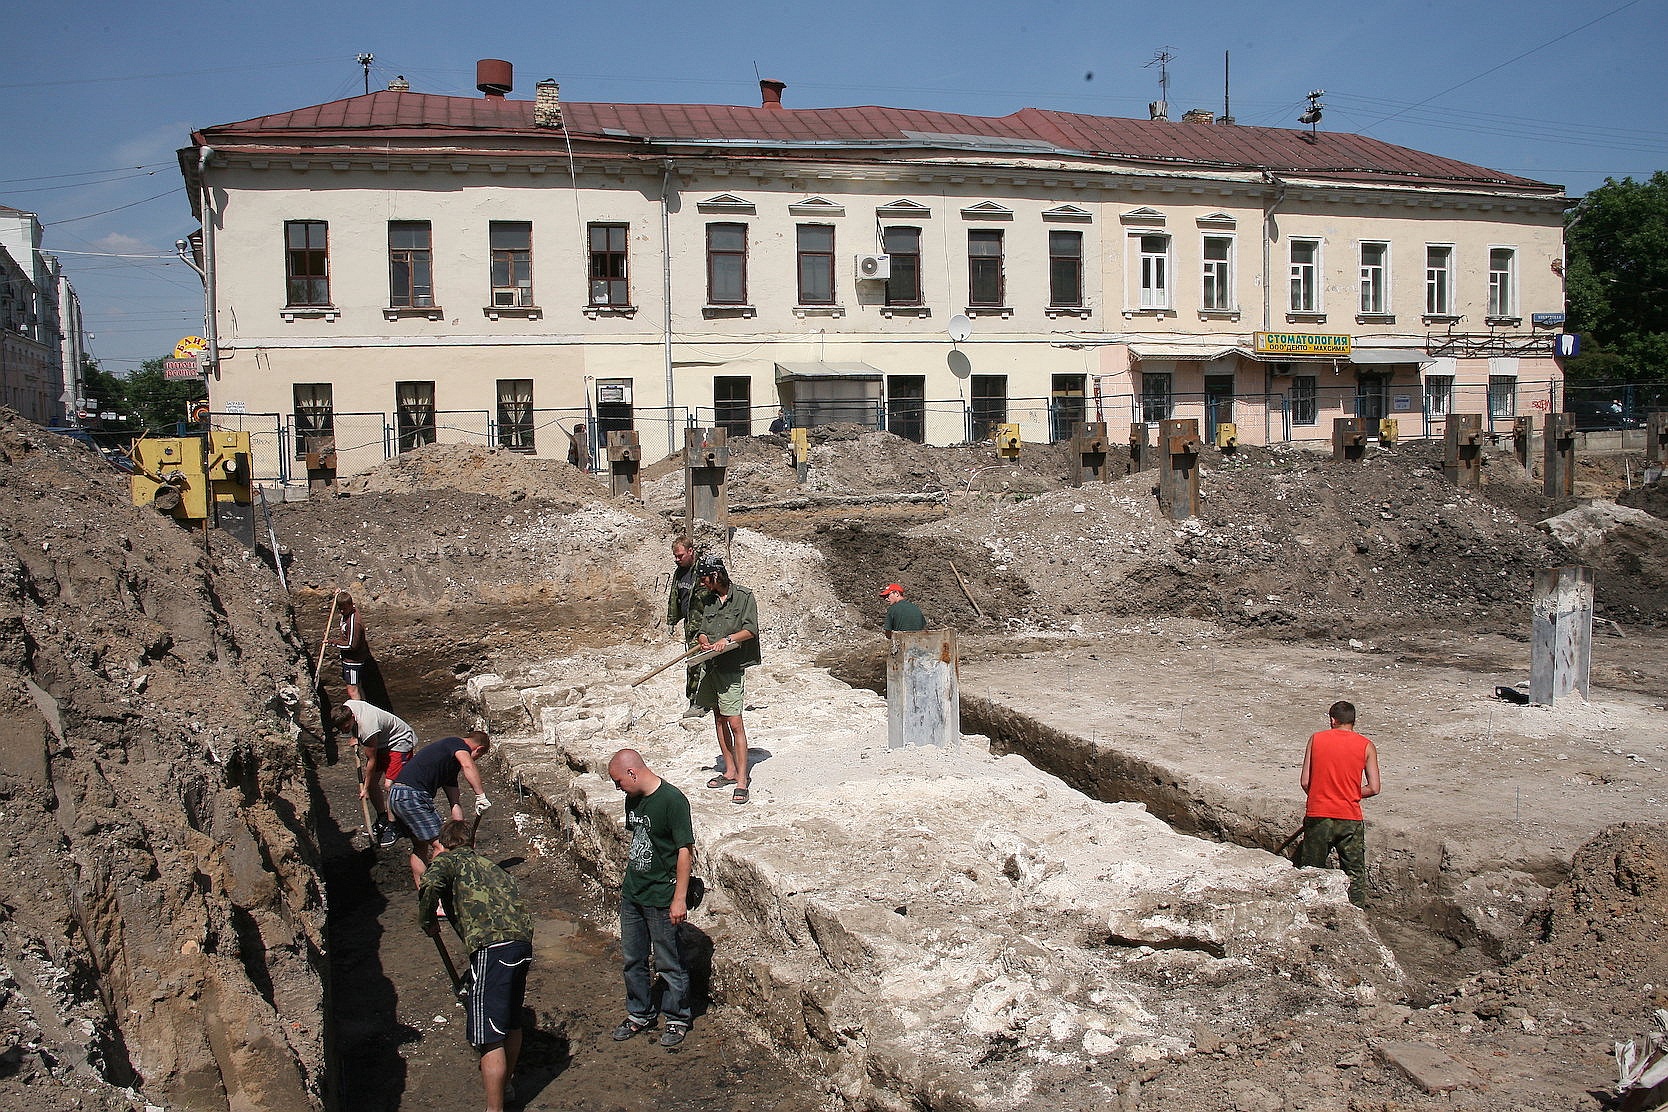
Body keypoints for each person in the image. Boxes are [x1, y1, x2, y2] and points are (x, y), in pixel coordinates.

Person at [418, 819, 534, 1112]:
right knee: (511, 1021)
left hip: (491, 949)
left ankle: (493, 1109)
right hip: (521, 943)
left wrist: (428, 920)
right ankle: (506, 1085)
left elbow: (429, 882)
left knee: (488, 1034)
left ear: (443, 845)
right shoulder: (492, 867)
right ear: (472, 842)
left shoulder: (448, 861)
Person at [606, 749, 695, 1048]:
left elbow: (685, 850)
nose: (619, 788)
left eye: (619, 781)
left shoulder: (672, 801)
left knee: (669, 960)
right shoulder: (632, 799)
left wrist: (678, 899)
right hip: (634, 891)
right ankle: (639, 1013)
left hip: (661, 894)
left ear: (632, 773)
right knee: (633, 958)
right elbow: (640, 839)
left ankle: (677, 1017)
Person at [1298, 700, 1382, 908]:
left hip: (1319, 814)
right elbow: (1374, 787)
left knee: (1311, 870)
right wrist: (1348, 793)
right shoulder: (1366, 745)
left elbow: (1305, 782)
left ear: (1332, 720)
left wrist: (1321, 795)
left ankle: (1310, 910)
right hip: (1350, 816)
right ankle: (1356, 913)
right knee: (1354, 872)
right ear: (1353, 721)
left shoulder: (1316, 739)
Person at [692, 554, 760, 805]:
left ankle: (742, 781)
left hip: (732, 668)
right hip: (712, 667)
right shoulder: (709, 601)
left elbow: (750, 629)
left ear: (716, 575)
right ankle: (729, 771)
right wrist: (702, 639)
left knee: (735, 723)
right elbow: (703, 628)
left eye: (704, 579)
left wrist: (728, 640)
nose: (702, 584)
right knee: (719, 718)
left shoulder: (743, 597)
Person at [388, 731, 493, 888]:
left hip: (397, 795)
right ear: (479, 749)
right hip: (412, 796)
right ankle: (437, 896)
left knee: (420, 846)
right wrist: (481, 795)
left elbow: (454, 802)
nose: (475, 759)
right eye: (479, 756)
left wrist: (463, 836)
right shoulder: (457, 744)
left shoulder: (449, 765)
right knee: (442, 846)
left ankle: (424, 893)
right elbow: (467, 765)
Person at [330, 699, 419, 847]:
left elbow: (371, 760)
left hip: (399, 740)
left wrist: (364, 787)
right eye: (341, 729)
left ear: (352, 717)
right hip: (382, 741)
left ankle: (394, 825)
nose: (344, 731)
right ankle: (382, 817)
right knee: (371, 784)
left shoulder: (367, 729)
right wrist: (354, 735)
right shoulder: (347, 706)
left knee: (391, 785)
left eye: (346, 727)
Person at [665, 536, 706, 717]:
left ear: (690, 551)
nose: (677, 559)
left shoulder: (704, 570)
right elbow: (675, 595)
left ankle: (699, 703)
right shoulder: (679, 572)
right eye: (675, 556)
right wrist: (672, 620)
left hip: (705, 626)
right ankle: (696, 700)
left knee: (701, 662)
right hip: (690, 627)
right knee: (694, 663)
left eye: (680, 555)